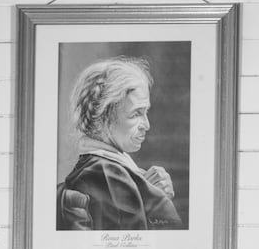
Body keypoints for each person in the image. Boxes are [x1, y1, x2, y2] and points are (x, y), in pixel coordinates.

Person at [58, 55, 183, 231]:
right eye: (136, 114)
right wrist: (158, 201)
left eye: (146, 112)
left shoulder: (105, 169)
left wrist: (152, 192)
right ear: (103, 118)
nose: (147, 125)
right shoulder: (106, 175)